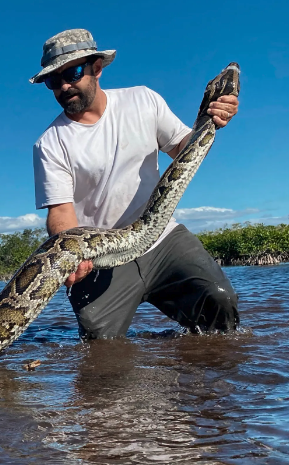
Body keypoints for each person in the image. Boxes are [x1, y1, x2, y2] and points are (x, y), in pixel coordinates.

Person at [30, 29, 240, 340]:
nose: (63, 86)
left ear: (97, 68)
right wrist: (73, 253)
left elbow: (184, 149)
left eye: (72, 73)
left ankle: (204, 383)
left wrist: (213, 119)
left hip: (162, 239)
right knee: (99, 345)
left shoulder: (143, 99)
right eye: (53, 80)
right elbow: (61, 212)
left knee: (220, 303)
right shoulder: (49, 144)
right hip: (100, 256)